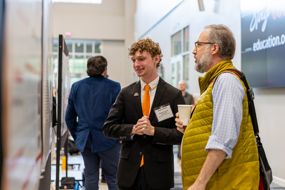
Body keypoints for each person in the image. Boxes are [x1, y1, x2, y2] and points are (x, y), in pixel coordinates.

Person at [176, 24, 260, 190]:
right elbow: (213, 129)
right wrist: (191, 128)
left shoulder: (226, 81)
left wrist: (200, 183)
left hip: (228, 182)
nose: (194, 51)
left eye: (198, 44)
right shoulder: (215, 82)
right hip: (219, 181)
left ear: (214, 48)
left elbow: (223, 139)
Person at [103, 38, 185, 190]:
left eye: (141, 59)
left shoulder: (173, 95)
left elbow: (181, 135)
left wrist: (153, 131)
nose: (136, 64)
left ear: (156, 59)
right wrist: (133, 129)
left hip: (159, 174)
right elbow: (109, 127)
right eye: (133, 60)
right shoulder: (126, 93)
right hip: (128, 173)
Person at [65, 55, 121, 190]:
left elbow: (69, 117)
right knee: (113, 177)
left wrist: (78, 135)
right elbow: (120, 115)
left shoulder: (77, 86)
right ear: (104, 69)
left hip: (86, 140)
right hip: (109, 139)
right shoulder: (114, 87)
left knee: (90, 175)